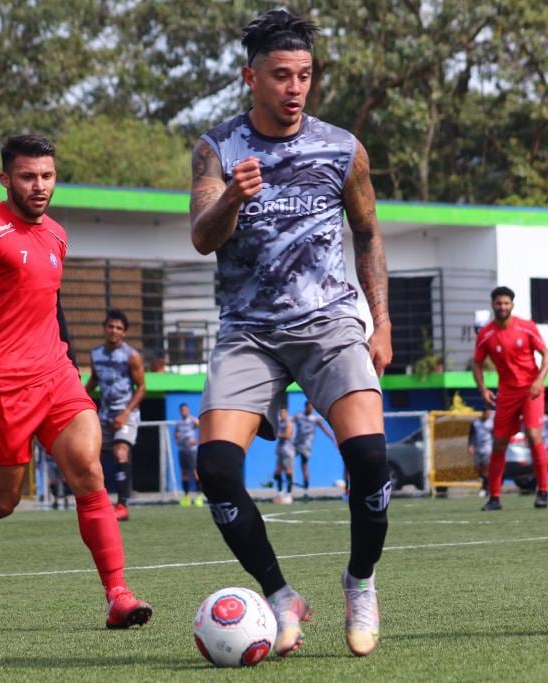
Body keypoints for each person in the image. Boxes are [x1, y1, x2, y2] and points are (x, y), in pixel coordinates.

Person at [188, 8, 392, 658]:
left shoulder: (342, 148)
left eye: (304, 75)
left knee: (369, 461)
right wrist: (231, 200)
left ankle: (359, 580)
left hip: (331, 324)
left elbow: (367, 233)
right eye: (281, 75)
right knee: (216, 469)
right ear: (252, 78)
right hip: (249, 331)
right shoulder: (218, 148)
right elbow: (200, 237)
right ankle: (280, 596)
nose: (295, 87)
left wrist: (379, 321)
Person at [0, 134, 151, 628]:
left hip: (56, 377)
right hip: (2, 386)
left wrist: (69, 361)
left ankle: (118, 595)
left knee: (87, 470)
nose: (40, 185)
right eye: (28, 176)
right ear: (6, 179)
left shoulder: (56, 235)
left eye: (47, 176)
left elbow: (50, 303)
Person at [473, 286, 548, 511]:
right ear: (493, 305)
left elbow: (547, 355)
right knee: (498, 444)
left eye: (506, 303)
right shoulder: (486, 334)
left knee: (533, 434)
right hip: (506, 393)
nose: (502, 307)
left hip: (531, 390)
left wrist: (539, 380)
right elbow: (476, 363)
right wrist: (483, 389)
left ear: (512, 305)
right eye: (499, 303)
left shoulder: (526, 328)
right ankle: (495, 498)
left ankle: (543, 491)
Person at [87, 309, 145, 521]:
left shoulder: (131, 356)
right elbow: (94, 380)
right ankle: (101, 503)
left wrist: (125, 413)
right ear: (104, 328)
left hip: (126, 413)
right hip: (104, 414)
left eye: (119, 328)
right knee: (92, 458)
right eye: (111, 326)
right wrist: (81, 396)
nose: (114, 330)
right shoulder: (95, 354)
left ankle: (122, 505)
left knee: (121, 452)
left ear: (124, 333)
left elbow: (141, 388)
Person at [293, 402, 335, 498]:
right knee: (287, 463)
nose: (311, 409)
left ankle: (306, 491)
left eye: (312, 408)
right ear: (305, 407)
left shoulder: (315, 418)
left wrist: (332, 438)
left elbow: (324, 429)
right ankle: (287, 488)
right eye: (309, 407)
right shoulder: (299, 416)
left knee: (304, 466)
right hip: (295, 444)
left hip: (306, 446)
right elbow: (290, 422)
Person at [173, 403, 204, 507]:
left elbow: (203, 428)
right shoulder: (179, 422)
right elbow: (176, 433)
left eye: (185, 410)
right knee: (184, 472)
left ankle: (199, 496)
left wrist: (197, 440)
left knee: (195, 472)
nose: (184, 411)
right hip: (182, 450)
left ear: (188, 410)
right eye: (182, 410)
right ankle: (186, 496)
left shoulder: (193, 420)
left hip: (192, 450)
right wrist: (177, 439)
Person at [468, 407, 495, 496]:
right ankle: (486, 484)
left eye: (489, 413)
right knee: (477, 468)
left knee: (485, 468)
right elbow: (471, 435)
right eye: (486, 413)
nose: (488, 415)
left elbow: (494, 435)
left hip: (488, 448)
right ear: (483, 413)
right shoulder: (475, 423)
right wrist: (470, 445)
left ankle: (485, 488)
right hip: (477, 448)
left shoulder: (491, 423)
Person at [273, 406, 296, 504]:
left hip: (288, 451)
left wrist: (277, 434)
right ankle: (280, 492)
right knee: (277, 473)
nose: (280, 415)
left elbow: (286, 435)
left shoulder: (289, 423)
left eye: (282, 413)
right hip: (281, 451)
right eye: (280, 413)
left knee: (288, 472)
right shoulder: (280, 424)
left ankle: (289, 494)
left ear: (286, 414)